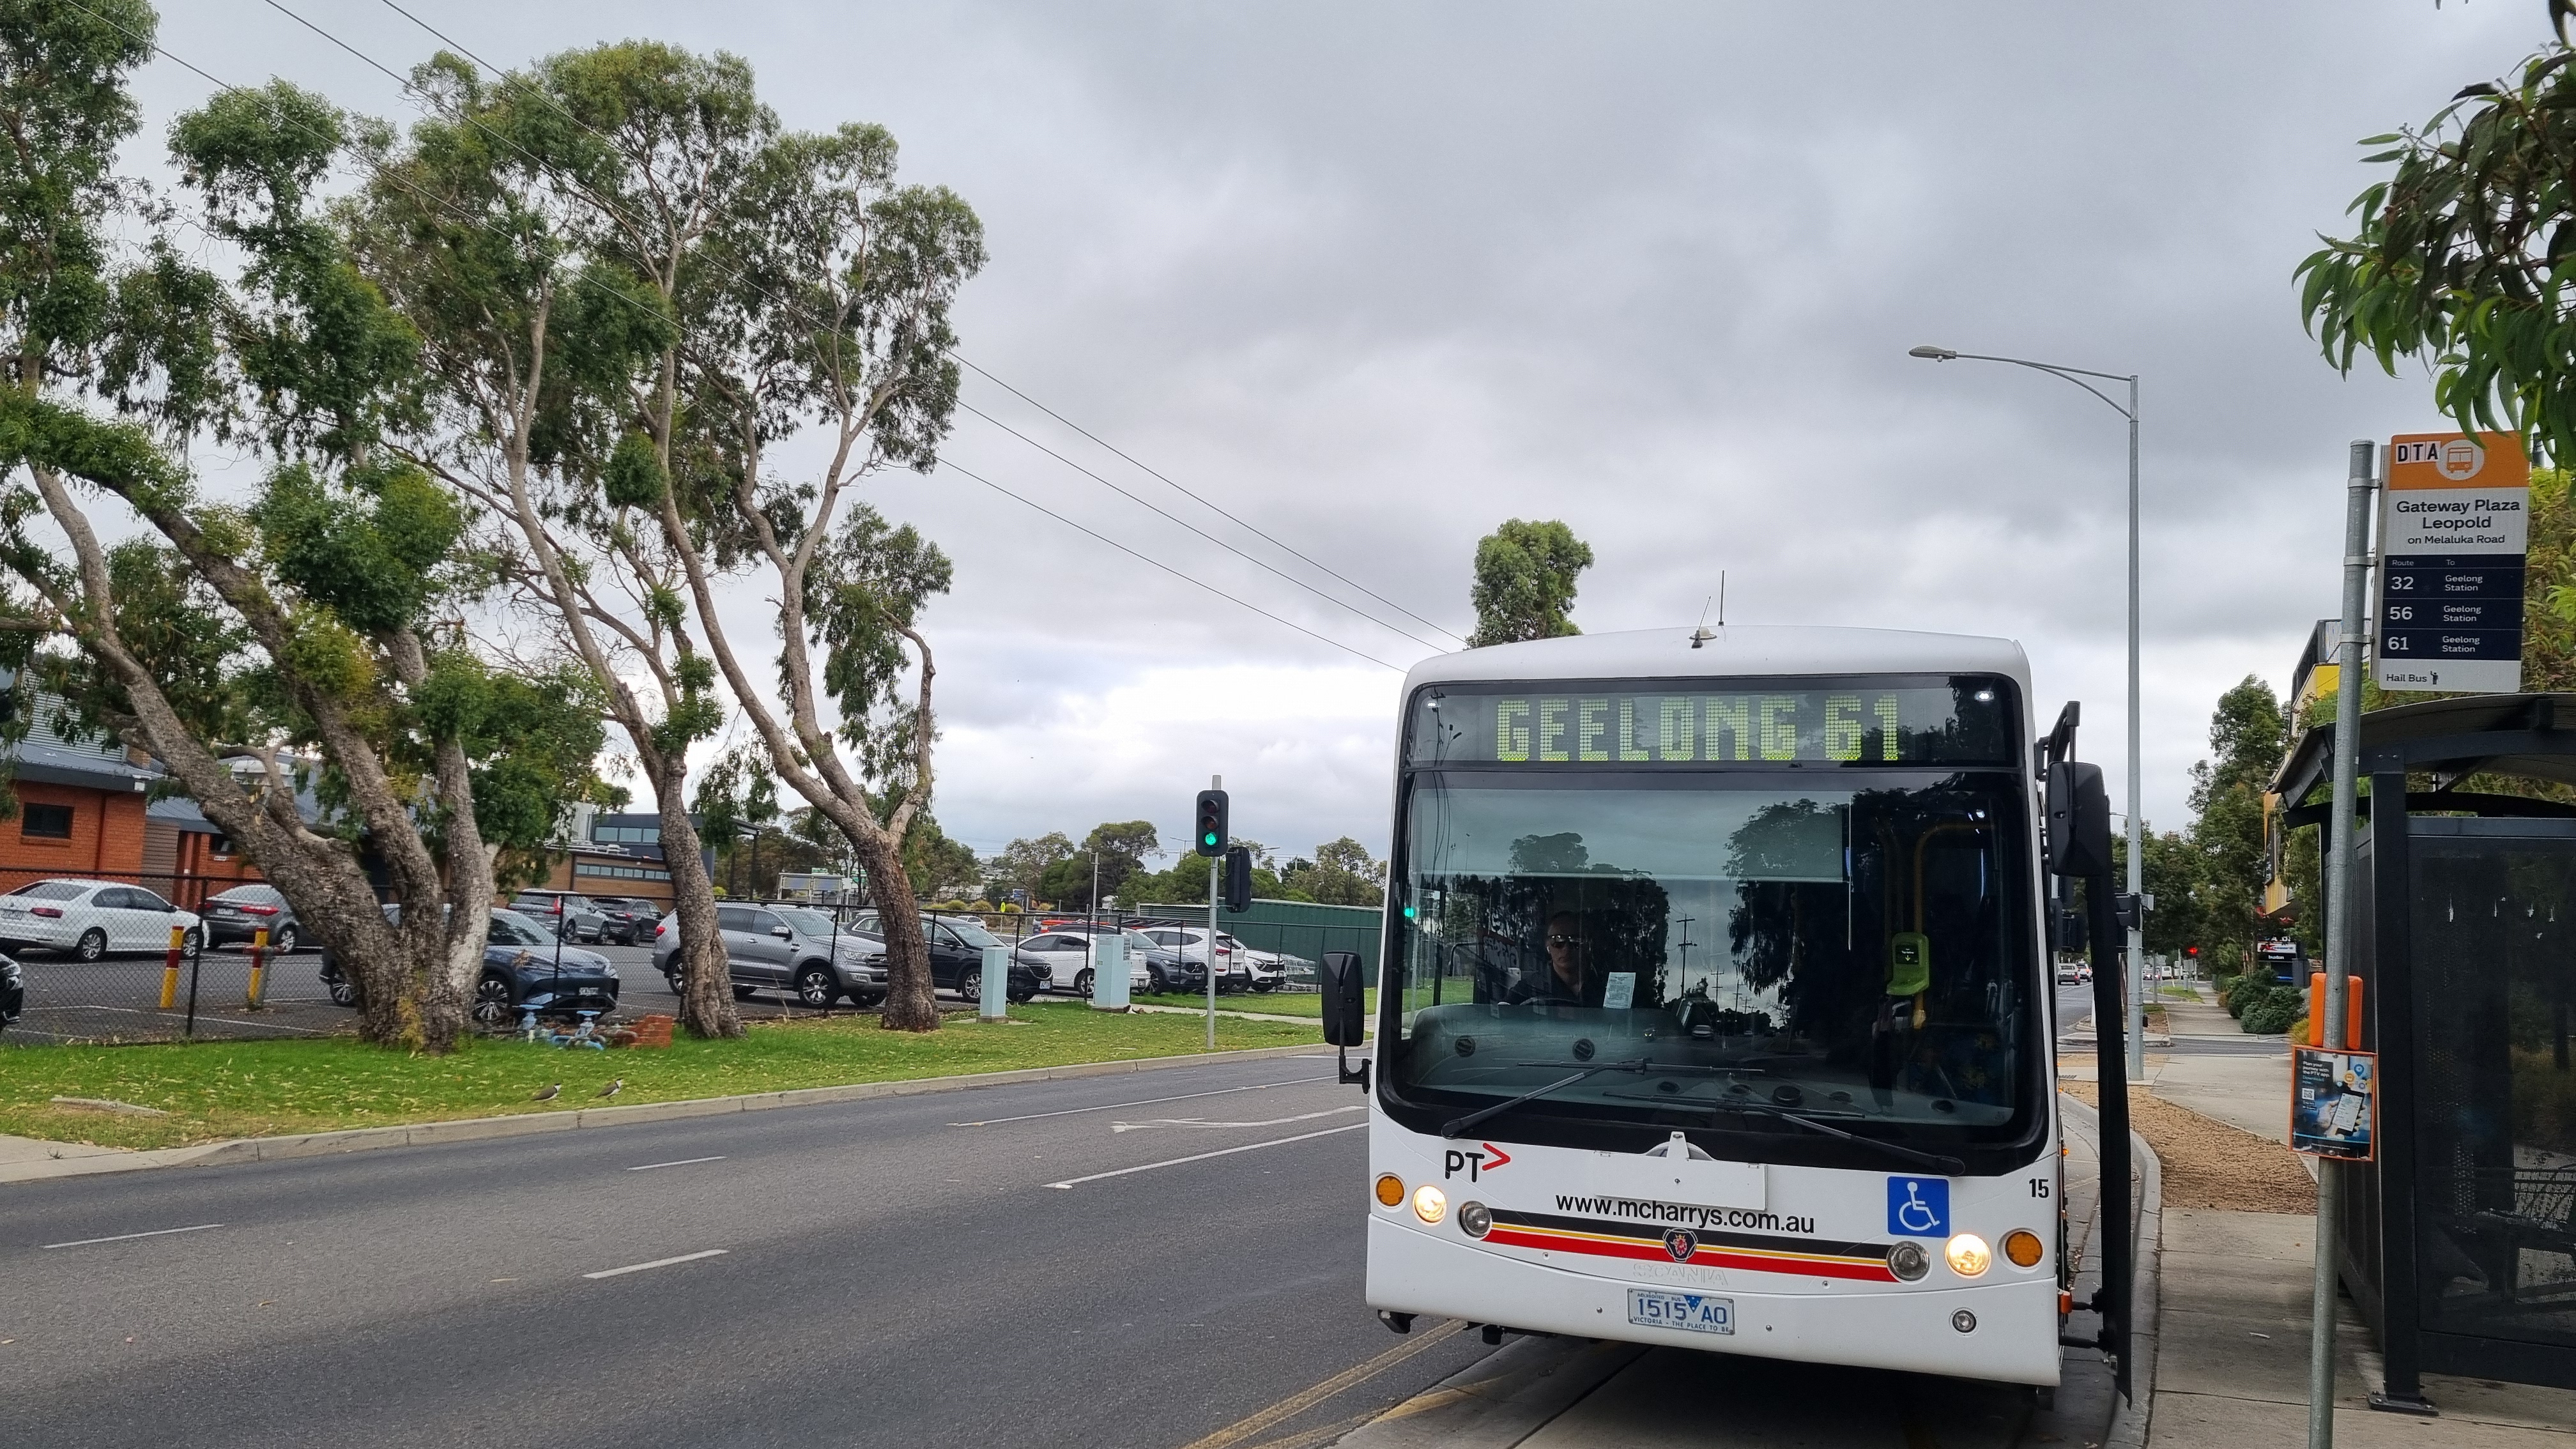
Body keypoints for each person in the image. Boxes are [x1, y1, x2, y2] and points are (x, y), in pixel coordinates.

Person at [1508, 910, 1603, 1006]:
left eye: (1575, 940)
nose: (1566, 948)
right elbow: (1503, 1011)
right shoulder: (1533, 986)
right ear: (1547, 945)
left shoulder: (1603, 985)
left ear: (1586, 945)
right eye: (1557, 940)